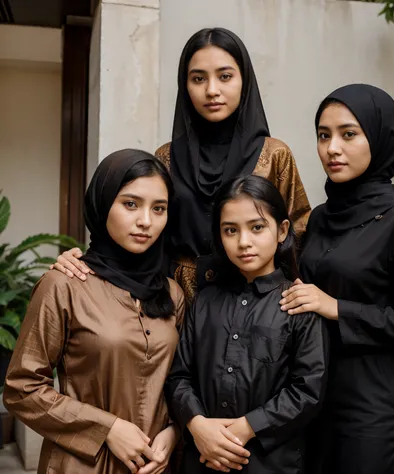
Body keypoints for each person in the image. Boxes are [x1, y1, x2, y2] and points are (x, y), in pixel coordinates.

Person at [50, 27, 311, 304]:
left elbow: (298, 232)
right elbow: (143, 229)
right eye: (198, 78)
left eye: (225, 76)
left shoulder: (274, 154)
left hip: (256, 300)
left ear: (244, 81)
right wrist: (87, 260)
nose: (212, 90)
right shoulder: (166, 157)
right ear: (185, 85)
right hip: (175, 301)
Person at [279, 84, 394, 474]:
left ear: (380, 137)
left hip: (372, 407)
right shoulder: (319, 218)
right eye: (323, 135)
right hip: (315, 395)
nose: (332, 148)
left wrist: (336, 308)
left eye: (349, 134)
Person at [3, 149, 184, 474]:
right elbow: (21, 389)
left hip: (155, 465)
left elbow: (179, 380)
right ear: (102, 205)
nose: (146, 220)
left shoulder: (172, 293)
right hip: (80, 464)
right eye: (130, 204)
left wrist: (174, 431)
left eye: (159, 208)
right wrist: (106, 428)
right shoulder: (65, 284)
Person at [165, 175, 329, 474]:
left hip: (270, 464)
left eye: (257, 227)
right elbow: (179, 376)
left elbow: (307, 390)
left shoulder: (299, 303)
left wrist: (246, 428)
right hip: (203, 460)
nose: (244, 242)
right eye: (231, 230)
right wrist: (198, 425)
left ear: (281, 231)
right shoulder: (205, 301)